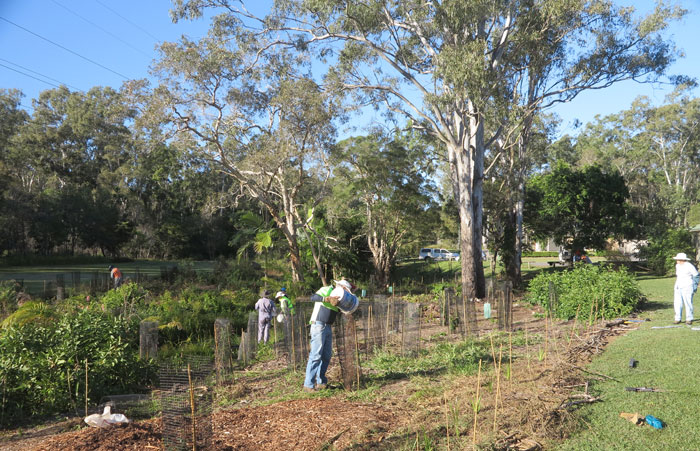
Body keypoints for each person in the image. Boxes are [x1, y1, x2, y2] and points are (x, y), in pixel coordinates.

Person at [303, 279, 355, 392]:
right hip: (318, 324)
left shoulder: (340, 298)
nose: (346, 293)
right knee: (316, 355)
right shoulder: (328, 290)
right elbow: (313, 297)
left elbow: (345, 309)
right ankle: (308, 385)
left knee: (326, 355)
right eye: (346, 290)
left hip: (327, 326)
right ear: (340, 287)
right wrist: (326, 298)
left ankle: (321, 383)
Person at [672, 253, 699, 325]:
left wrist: (695, 286)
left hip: (687, 286)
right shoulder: (677, 266)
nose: (676, 260)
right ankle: (677, 318)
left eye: (677, 259)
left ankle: (689, 319)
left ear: (682, 260)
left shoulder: (689, 266)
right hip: (678, 286)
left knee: (688, 303)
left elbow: (696, 275)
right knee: (677, 303)